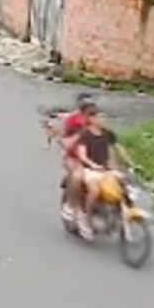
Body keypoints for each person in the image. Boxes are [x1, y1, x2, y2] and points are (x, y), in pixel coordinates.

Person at [74, 107, 123, 239]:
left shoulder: (108, 134)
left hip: (105, 169)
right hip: (89, 169)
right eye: (99, 117)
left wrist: (128, 164)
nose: (102, 120)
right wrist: (93, 165)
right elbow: (82, 155)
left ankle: (120, 215)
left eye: (103, 117)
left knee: (122, 185)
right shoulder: (85, 134)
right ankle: (85, 216)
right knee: (95, 189)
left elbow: (116, 150)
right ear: (91, 119)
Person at [60, 94, 97, 222]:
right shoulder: (72, 121)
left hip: (93, 158)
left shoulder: (96, 121)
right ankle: (69, 206)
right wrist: (80, 133)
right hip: (74, 157)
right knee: (76, 176)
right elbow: (65, 143)